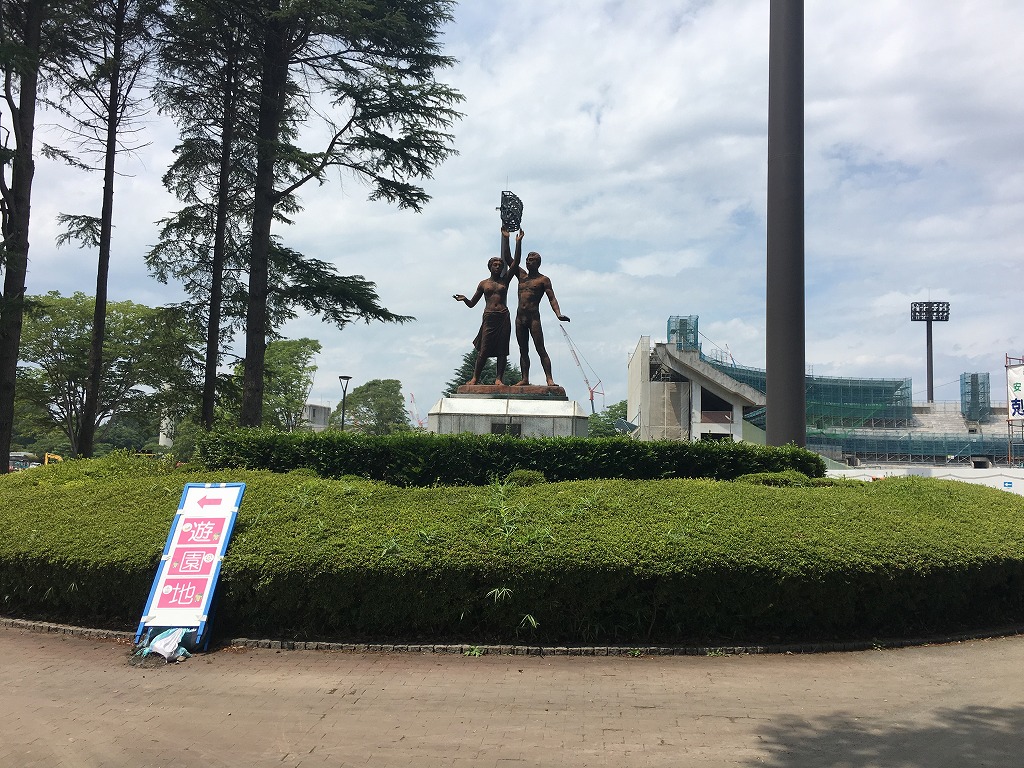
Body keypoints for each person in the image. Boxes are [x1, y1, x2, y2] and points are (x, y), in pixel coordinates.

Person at [453, 228, 523, 385]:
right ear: (490, 267)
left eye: (500, 265)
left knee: (502, 350)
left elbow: (515, 263)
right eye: (495, 264)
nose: (497, 267)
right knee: (483, 349)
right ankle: (475, 378)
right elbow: (472, 304)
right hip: (489, 317)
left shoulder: (505, 280)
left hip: (503, 316)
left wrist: (515, 242)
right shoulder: (483, 284)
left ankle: (499, 379)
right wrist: (465, 299)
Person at [502, 237, 570, 387]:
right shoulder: (521, 275)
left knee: (540, 348)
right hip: (520, 318)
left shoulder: (543, 280)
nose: (528, 262)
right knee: (523, 349)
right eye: (527, 260)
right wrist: (508, 238)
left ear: (538, 263)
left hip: (533, 318)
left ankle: (549, 378)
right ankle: (525, 378)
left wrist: (558, 314)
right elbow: (508, 258)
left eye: (531, 260)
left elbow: (552, 298)